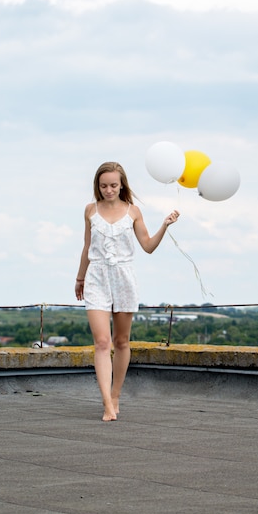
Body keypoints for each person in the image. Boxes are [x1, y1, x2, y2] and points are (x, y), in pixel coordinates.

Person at [75, 161, 179, 422]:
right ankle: (107, 404)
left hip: (124, 277)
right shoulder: (90, 210)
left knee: (121, 341)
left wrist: (164, 225)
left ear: (122, 185)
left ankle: (116, 394)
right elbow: (87, 247)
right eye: (103, 185)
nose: (108, 190)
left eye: (113, 185)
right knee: (101, 342)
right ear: (97, 186)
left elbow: (148, 246)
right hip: (96, 277)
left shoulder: (133, 211)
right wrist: (80, 278)